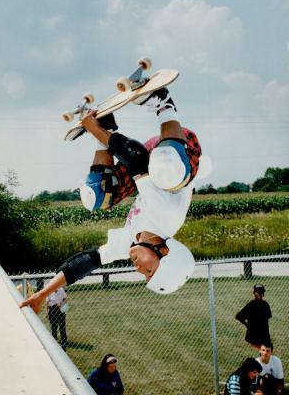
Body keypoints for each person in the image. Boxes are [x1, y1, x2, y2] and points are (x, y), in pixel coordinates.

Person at [20, 87, 201, 314]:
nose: (138, 270)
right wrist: (93, 129)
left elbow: (85, 263)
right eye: (149, 270)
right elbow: (136, 158)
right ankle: (165, 105)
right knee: (166, 168)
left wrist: (42, 295)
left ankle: (107, 127)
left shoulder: (128, 245)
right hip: (179, 151)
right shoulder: (166, 217)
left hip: (145, 164)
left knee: (94, 196)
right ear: (164, 252)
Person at [235, 284, 272, 350]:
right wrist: (247, 324)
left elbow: (268, 315)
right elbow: (238, 316)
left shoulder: (265, 304)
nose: (259, 294)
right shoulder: (251, 305)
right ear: (254, 293)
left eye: (261, 292)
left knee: (266, 350)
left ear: (263, 293)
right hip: (254, 335)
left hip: (264, 333)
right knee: (260, 350)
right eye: (257, 292)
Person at [46, 287, 68, 351]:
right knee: (53, 326)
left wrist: (61, 304)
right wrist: (47, 313)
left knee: (62, 326)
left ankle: (64, 342)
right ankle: (54, 340)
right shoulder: (49, 291)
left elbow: (65, 298)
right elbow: (47, 303)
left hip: (61, 307)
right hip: (52, 309)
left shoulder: (61, 289)